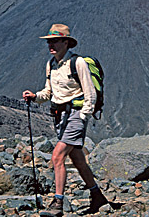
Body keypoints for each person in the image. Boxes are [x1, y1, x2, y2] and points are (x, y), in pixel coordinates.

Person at [23, 24, 107, 217]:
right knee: (77, 159)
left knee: (57, 156)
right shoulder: (51, 64)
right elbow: (48, 92)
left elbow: (90, 93)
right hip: (61, 116)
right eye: (49, 41)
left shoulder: (77, 63)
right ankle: (97, 195)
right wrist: (35, 96)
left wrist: (83, 117)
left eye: (55, 41)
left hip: (76, 114)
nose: (50, 45)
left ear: (66, 42)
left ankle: (57, 203)